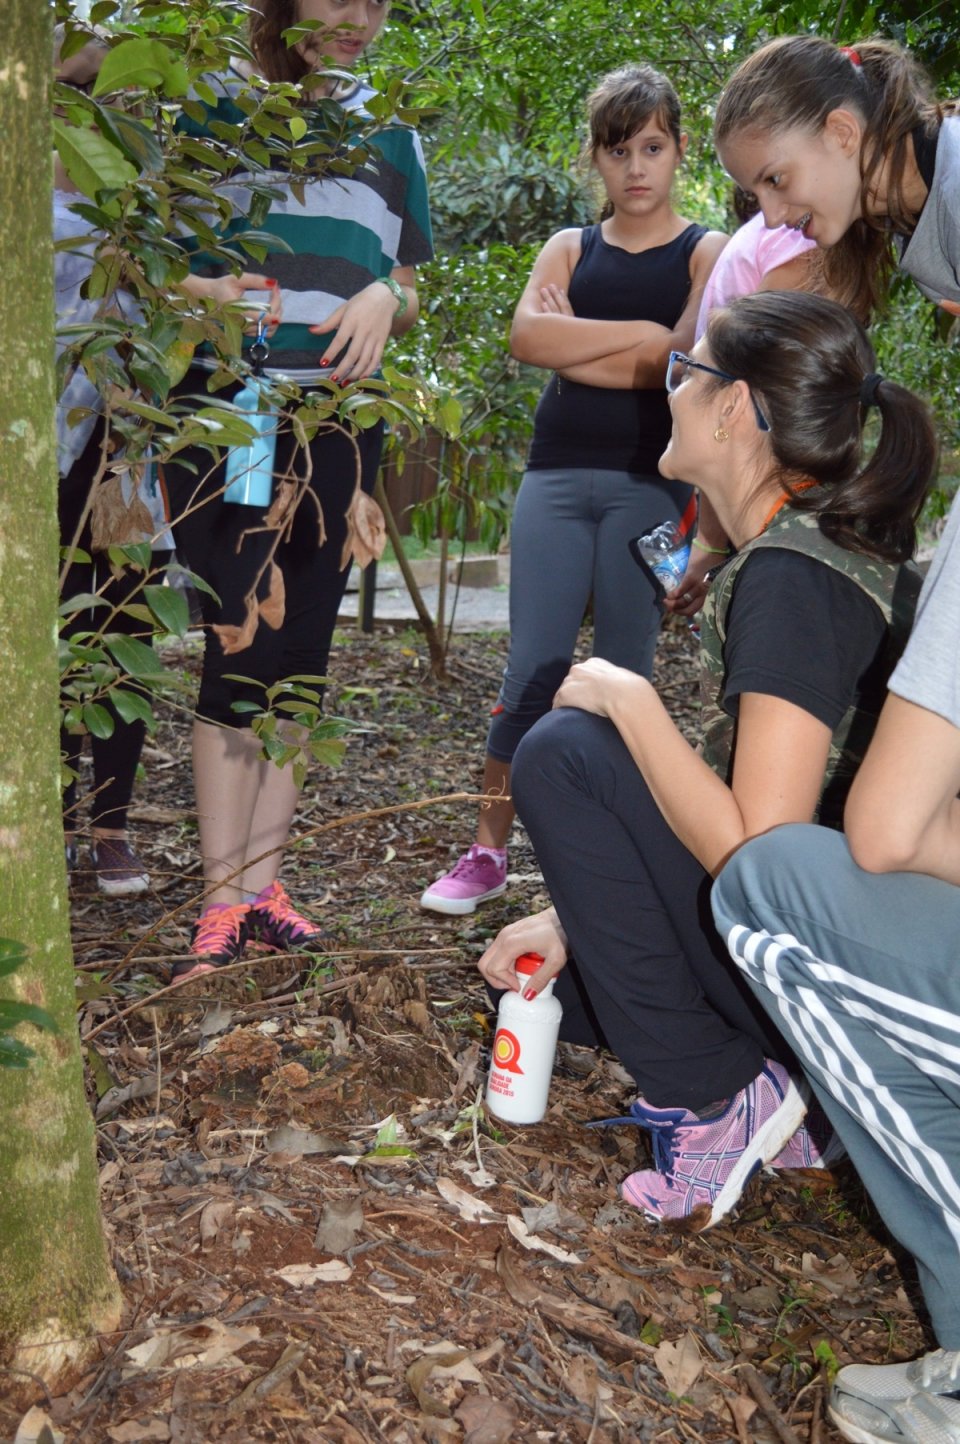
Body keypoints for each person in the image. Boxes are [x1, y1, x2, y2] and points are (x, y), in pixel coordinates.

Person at [477, 289, 937, 1231]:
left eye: (686, 372)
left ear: (733, 408)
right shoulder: (803, 551)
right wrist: (570, 915)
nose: (668, 386)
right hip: (837, 943)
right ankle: (796, 1102)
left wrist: (632, 699)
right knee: (565, 984)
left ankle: (722, 1101)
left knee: (565, 750)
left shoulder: (797, 577)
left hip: (840, 970)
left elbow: (762, 852)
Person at [162, 0, 432, 980]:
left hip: (340, 429)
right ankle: (218, 899)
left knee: (302, 663)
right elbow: (150, 266)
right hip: (228, 414)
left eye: (376, 3)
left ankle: (265, 888)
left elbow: (407, 279)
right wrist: (211, 296)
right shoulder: (215, 110)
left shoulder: (389, 128)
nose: (359, 18)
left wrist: (380, 295)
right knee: (239, 648)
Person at [420, 63, 726, 916]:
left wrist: (582, 338)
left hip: (649, 487)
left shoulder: (707, 250)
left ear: (679, 150)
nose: (637, 167)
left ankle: (607, 861)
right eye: (619, 149)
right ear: (595, 157)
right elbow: (527, 338)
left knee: (623, 672)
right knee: (533, 670)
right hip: (553, 477)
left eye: (654, 148)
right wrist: (638, 335)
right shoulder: (568, 246)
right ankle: (486, 852)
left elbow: (681, 359)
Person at [55, 29, 174, 897]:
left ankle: (110, 827)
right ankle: (51, 813)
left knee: (122, 624)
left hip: (125, 449)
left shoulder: (154, 186)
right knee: (46, 627)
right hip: (39, 436)